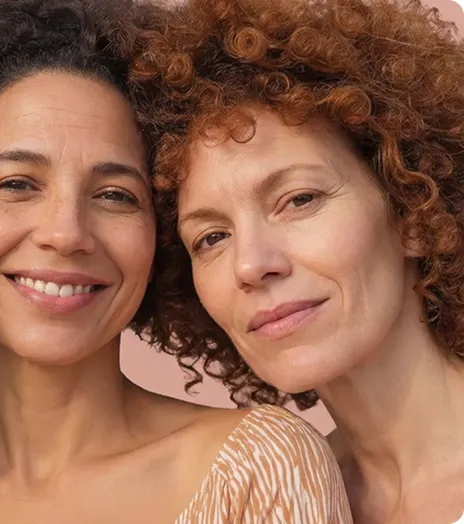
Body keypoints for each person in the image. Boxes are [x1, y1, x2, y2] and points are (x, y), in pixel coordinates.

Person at [0, 0, 353, 522]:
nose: (66, 233)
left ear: (160, 232)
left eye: (115, 195)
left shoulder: (262, 469)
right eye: (17, 184)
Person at [125, 0, 464, 521]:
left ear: (414, 212)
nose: (250, 264)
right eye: (212, 237)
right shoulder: (270, 502)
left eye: (299, 199)